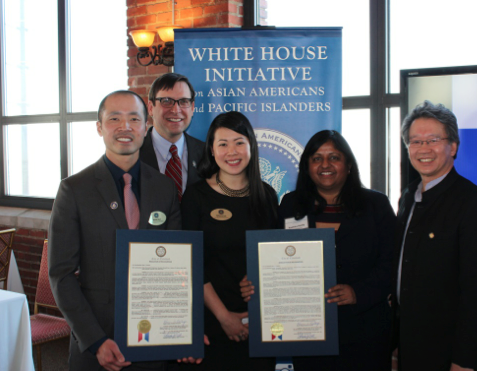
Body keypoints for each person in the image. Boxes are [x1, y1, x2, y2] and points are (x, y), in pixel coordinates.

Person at [49, 90, 203, 371]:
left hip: (156, 340)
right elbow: (61, 276)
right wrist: (95, 340)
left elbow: (177, 267)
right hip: (96, 342)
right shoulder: (74, 190)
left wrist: (185, 329)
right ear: (99, 127)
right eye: (114, 119)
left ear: (146, 127)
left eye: (134, 118)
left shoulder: (164, 187)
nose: (125, 127)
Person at [241, 130, 396, 370]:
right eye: (316, 158)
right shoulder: (291, 205)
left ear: (349, 165)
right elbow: (273, 258)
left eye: (334, 157)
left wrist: (358, 292)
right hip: (307, 331)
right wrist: (255, 281)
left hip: (366, 331)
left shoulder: (376, 205)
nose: (325, 165)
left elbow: (392, 262)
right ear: (307, 167)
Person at [392, 101, 477, 371]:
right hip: (410, 343)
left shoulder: (476, 204)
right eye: (415, 141)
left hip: (449, 352)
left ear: (453, 146)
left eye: (433, 140)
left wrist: (463, 360)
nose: (424, 149)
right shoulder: (408, 196)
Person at [181, 111, 278, 371]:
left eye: (239, 142)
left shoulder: (267, 195)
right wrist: (224, 317)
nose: (231, 151)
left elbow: (274, 255)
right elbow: (191, 265)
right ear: (211, 150)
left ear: (251, 146)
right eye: (222, 144)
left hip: (260, 318)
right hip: (212, 319)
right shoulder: (195, 197)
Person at [140, 73, 204, 199]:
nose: (176, 110)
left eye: (183, 101)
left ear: (192, 108)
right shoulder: (133, 155)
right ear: (151, 108)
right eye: (166, 101)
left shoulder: (206, 154)